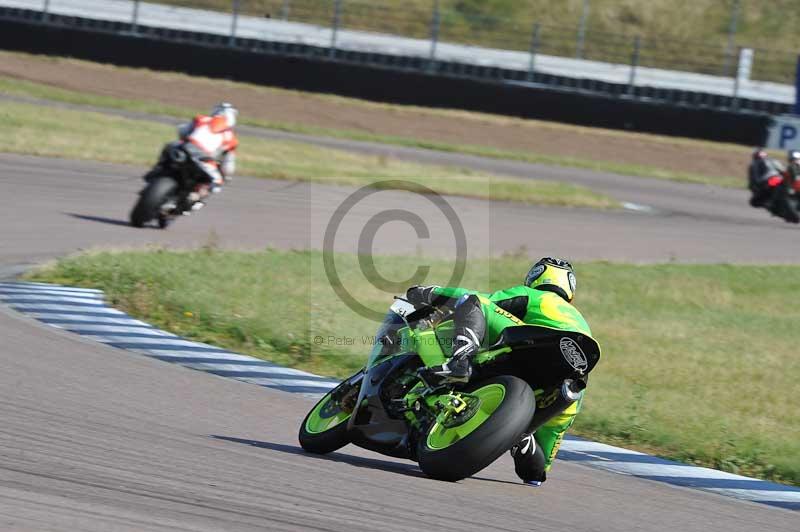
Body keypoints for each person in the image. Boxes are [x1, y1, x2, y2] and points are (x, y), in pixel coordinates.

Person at [406, 257, 597, 487]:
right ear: (571, 289)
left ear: (535, 276)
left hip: (534, 344)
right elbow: (543, 458)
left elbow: (481, 299)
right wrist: (536, 463)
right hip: (573, 375)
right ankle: (524, 435)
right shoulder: (580, 322)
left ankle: (459, 362)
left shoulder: (536, 296)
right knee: (539, 464)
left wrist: (429, 292)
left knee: (473, 301)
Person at [177, 102, 240, 205]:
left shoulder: (201, 119)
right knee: (217, 183)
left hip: (185, 149)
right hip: (204, 159)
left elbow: (182, 131)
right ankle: (194, 199)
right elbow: (228, 167)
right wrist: (227, 177)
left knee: (170, 148)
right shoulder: (231, 138)